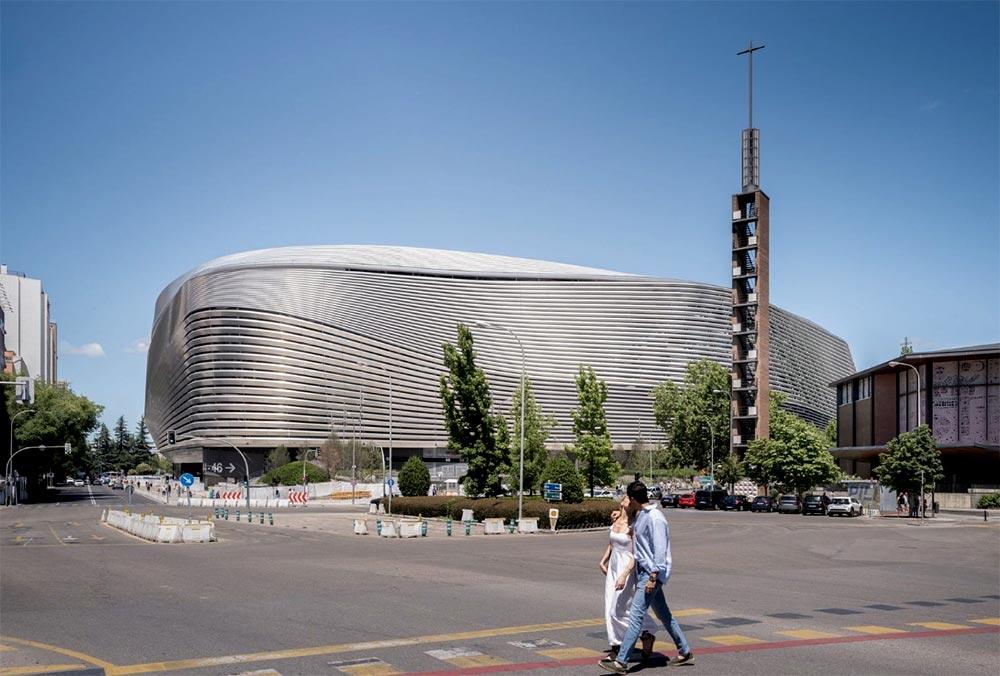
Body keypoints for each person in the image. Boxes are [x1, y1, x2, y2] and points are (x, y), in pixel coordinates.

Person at [600, 481, 693, 673]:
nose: (627, 502)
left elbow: (660, 550)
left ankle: (621, 661)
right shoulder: (642, 514)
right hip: (643, 571)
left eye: (628, 499)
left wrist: (652, 577)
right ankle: (684, 651)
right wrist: (619, 514)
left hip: (651, 574)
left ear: (633, 498)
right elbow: (632, 531)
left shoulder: (655, 518)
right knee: (664, 615)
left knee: (635, 616)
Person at [599, 496, 657, 661]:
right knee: (610, 605)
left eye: (630, 498)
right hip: (613, 566)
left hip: (627, 567)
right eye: (625, 497)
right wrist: (603, 561)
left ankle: (645, 630)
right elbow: (612, 543)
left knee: (619, 608)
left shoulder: (634, 524)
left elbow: (636, 553)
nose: (627, 499)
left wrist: (624, 574)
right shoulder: (616, 519)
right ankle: (617, 644)